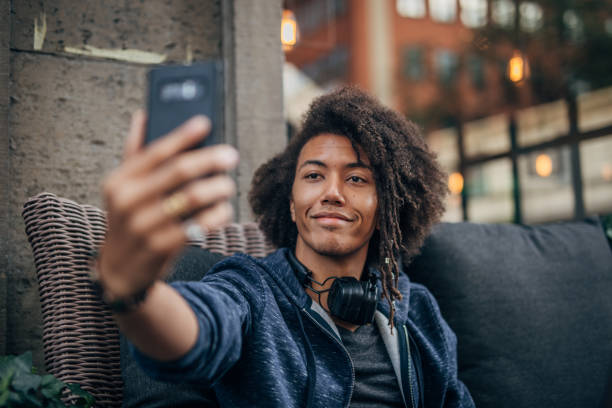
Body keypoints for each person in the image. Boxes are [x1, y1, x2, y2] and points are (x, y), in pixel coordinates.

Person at [97, 86, 475, 407]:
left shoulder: (418, 308)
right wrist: (133, 291)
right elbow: (199, 331)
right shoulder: (250, 289)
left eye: (357, 179)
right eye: (313, 175)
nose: (332, 193)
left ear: (386, 207)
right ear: (291, 204)